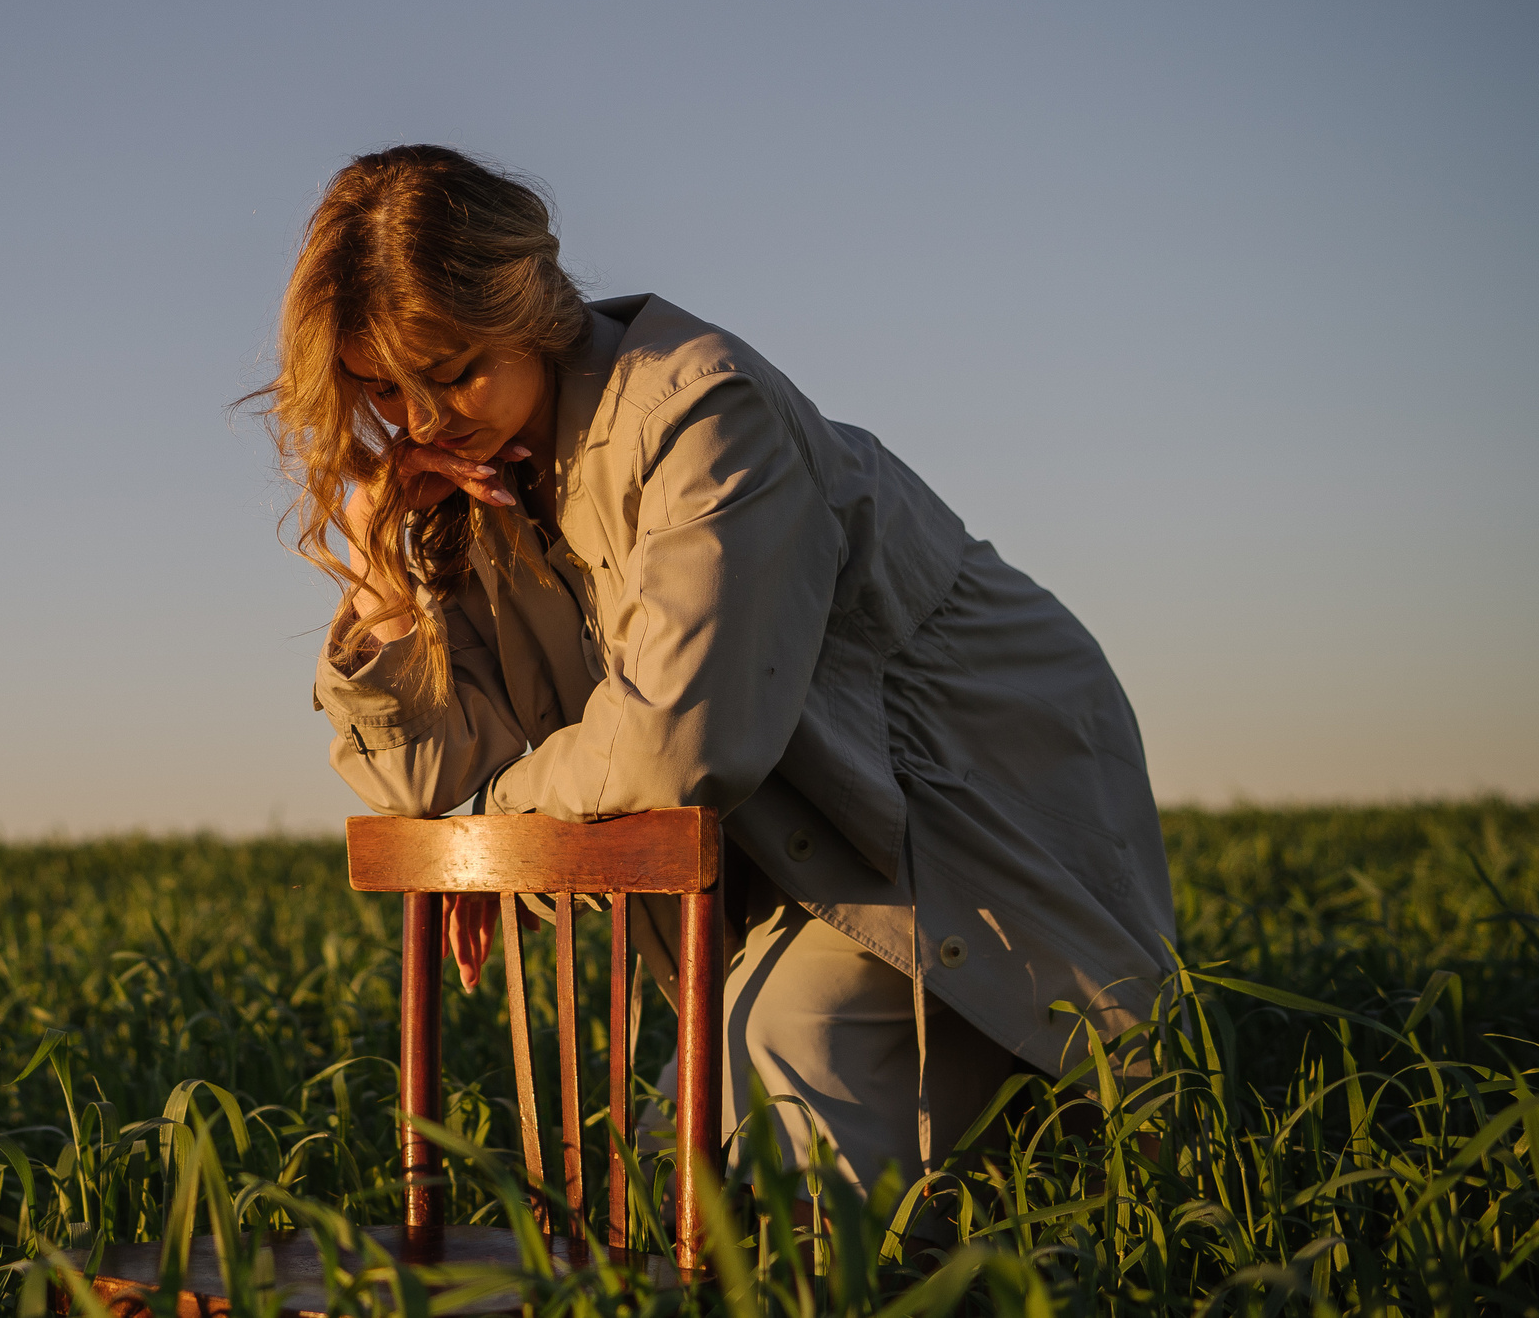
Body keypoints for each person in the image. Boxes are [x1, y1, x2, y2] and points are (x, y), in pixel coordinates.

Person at [254, 144, 1174, 1193]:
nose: (421, 421)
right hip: (790, 850)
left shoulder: (699, 411)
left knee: (786, 1147)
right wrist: (378, 573)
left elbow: (672, 750)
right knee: (665, 1187)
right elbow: (426, 785)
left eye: (454, 370)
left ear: (530, 306)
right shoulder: (465, 477)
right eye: (383, 390)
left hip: (946, 812)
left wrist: (491, 835)